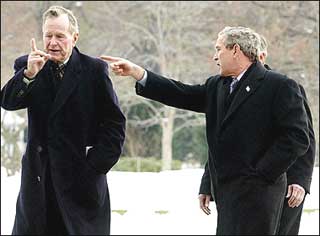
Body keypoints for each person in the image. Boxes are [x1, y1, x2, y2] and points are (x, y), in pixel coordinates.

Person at [100, 26, 310, 235]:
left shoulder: (280, 85)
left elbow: (297, 137)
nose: (215, 56)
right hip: (227, 193)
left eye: (219, 49)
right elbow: (180, 94)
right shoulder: (217, 85)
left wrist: (261, 173)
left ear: (236, 50)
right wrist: (138, 73)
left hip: (260, 194)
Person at [1, 5, 126, 235]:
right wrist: (28, 75)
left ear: (74, 37)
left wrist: (94, 166)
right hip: (39, 182)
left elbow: (115, 124)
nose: (52, 42)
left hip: (81, 183)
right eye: (48, 36)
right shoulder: (29, 65)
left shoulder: (94, 70)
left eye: (60, 36)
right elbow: (8, 102)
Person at [259, 34, 316, 235]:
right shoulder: (229, 89)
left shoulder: (286, 87)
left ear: (261, 57)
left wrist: (300, 180)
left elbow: (304, 137)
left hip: (287, 186)